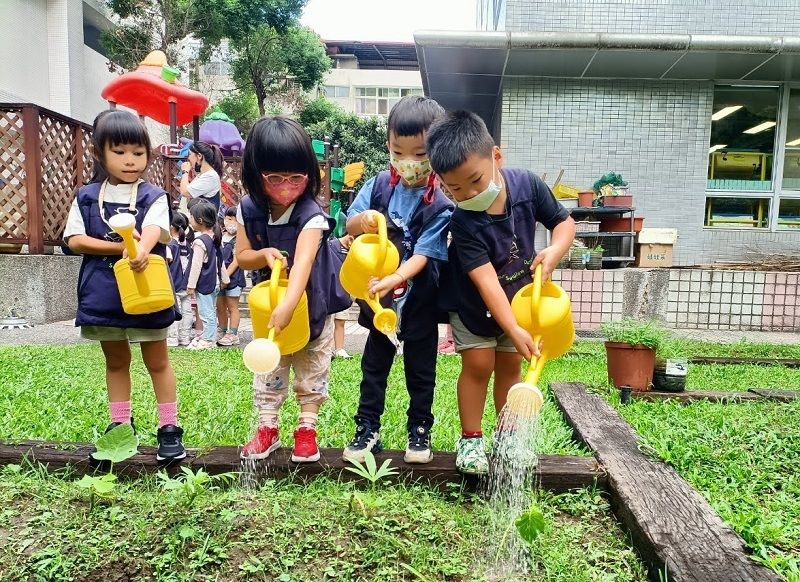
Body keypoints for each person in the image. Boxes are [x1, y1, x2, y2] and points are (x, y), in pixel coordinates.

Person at [426, 110, 576, 475]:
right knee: (479, 364)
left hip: (519, 299)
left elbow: (564, 223)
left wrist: (554, 251)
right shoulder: (463, 221)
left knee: (510, 365)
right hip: (472, 303)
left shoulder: (527, 186)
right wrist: (513, 329)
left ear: (496, 156)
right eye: (454, 189)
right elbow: (486, 282)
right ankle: (471, 439)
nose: (468, 194)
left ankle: (507, 437)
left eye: (475, 181)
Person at [63, 109, 185, 462]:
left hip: (148, 291)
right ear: (99, 153)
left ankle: (169, 427)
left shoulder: (153, 195)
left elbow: (154, 229)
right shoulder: (87, 196)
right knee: (116, 362)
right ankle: (119, 426)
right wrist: (122, 249)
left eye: (138, 152)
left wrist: (142, 248)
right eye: (119, 152)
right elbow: (75, 239)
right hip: (103, 293)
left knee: (158, 361)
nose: (130, 160)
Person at [343, 96, 453, 465]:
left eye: (419, 154)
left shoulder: (441, 203)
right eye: (397, 151)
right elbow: (350, 223)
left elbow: (424, 253)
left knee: (421, 372)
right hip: (379, 305)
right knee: (373, 368)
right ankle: (367, 427)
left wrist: (396, 276)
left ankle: (419, 428)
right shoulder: (378, 186)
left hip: (419, 301)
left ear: (436, 151)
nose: (408, 161)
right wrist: (363, 221)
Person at [235, 116, 351, 463]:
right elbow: (242, 257)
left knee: (312, 366)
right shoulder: (248, 210)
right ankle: (267, 427)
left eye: (296, 177)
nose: (286, 186)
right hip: (270, 304)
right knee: (270, 365)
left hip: (312, 302)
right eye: (275, 178)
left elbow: (303, 263)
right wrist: (262, 255)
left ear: (310, 175)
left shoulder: (311, 213)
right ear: (256, 174)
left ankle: (306, 429)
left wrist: (289, 304)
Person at [186, 200, 229, 350]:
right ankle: (207, 336)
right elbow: (220, 262)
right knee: (210, 310)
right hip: (215, 282)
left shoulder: (199, 242)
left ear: (200, 220)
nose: (190, 219)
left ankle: (209, 340)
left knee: (206, 313)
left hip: (205, 283)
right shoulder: (215, 239)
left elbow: (196, 266)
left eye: (191, 217)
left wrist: (191, 285)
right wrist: (224, 279)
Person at [217, 205, 244, 346]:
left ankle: (233, 333)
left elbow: (236, 261)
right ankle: (221, 330)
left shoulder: (240, 239)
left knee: (232, 306)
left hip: (234, 279)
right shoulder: (220, 236)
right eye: (228, 218)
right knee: (220, 306)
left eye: (234, 219)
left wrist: (225, 277)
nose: (231, 222)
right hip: (220, 278)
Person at [166, 212, 193, 347]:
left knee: (175, 310)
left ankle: (172, 338)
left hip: (174, 282)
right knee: (187, 310)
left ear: (171, 227)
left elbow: (166, 262)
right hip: (186, 282)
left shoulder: (170, 245)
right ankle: (185, 337)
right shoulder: (186, 243)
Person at [179, 141, 224, 212]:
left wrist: (185, 171)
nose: (188, 158)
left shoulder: (210, 176)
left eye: (190, 154)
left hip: (206, 218)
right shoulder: (202, 175)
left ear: (199, 156)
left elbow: (185, 192)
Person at [333, 234, 354, 359]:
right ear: (350, 239)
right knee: (326, 323)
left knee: (341, 320)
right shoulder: (330, 246)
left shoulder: (354, 252)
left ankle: (339, 349)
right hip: (329, 291)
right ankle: (327, 350)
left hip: (343, 291)